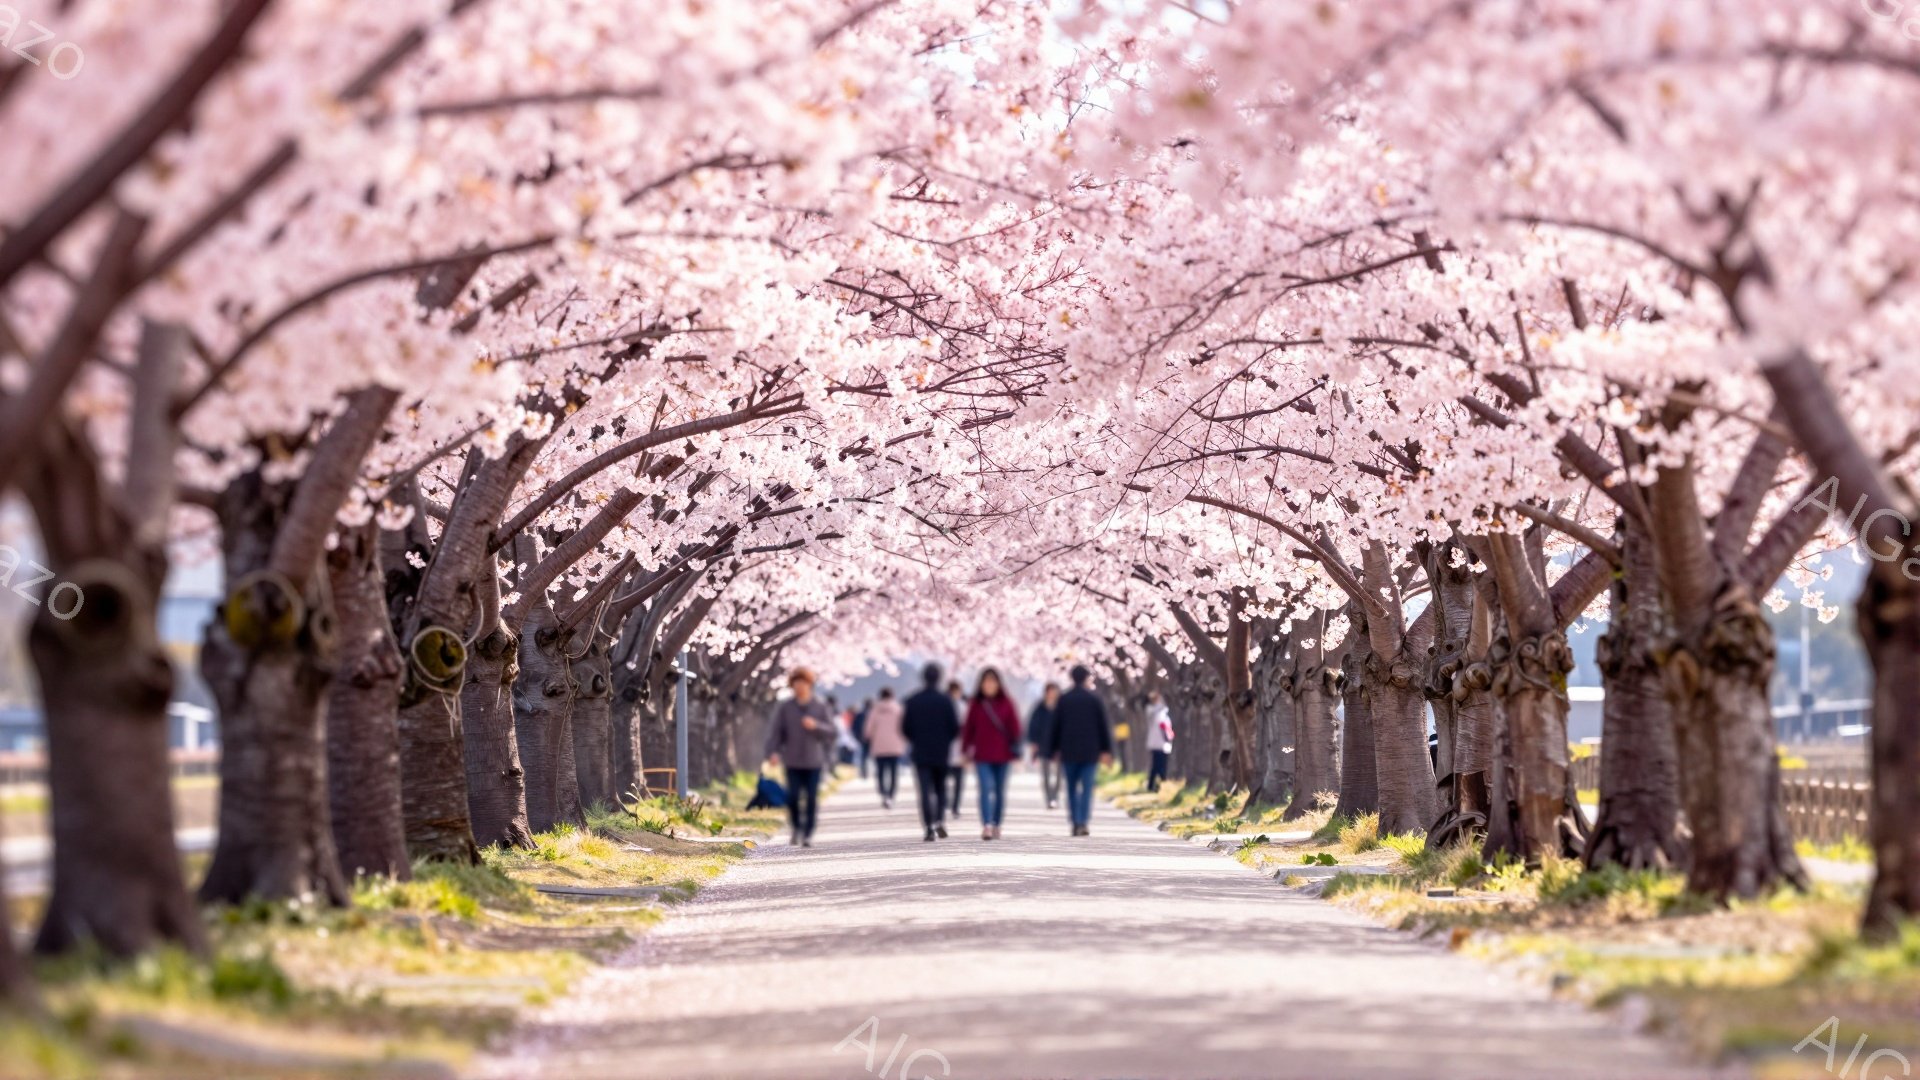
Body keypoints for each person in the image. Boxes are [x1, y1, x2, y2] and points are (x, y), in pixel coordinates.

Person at [763, 667, 838, 847]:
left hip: (814, 761)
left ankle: (808, 833)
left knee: (811, 797)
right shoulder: (786, 708)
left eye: (803, 683)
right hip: (792, 760)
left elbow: (832, 732)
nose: (800, 687)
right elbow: (776, 732)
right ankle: (796, 828)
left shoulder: (820, 707)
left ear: (809, 685)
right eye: (796, 684)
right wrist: (773, 752)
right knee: (793, 796)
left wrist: (816, 726)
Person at [1046, 664, 1113, 837]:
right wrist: (1106, 750)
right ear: (1085, 678)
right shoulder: (1094, 699)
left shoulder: (1064, 699)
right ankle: (1083, 821)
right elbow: (1103, 727)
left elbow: (1055, 726)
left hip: (1068, 752)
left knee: (1071, 788)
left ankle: (1075, 821)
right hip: (1090, 752)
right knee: (1087, 787)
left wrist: (1052, 749)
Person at [961, 668, 1022, 840]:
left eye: (992, 681)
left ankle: (997, 823)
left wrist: (1017, 750)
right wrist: (965, 750)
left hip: (1003, 755)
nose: (989, 684)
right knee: (986, 788)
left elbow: (1015, 728)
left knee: (1000, 790)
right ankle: (986, 825)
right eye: (986, 681)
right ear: (980, 684)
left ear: (998, 683)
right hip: (982, 755)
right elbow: (968, 729)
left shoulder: (1007, 703)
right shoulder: (976, 704)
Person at [903, 663, 960, 841]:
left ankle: (928, 827)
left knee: (924, 791)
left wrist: (916, 740)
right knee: (941, 789)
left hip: (921, 752)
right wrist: (945, 741)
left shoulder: (913, 700)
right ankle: (939, 820)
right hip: (941, 752)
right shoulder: (946, 700)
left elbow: (905, 728)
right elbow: (955, 727)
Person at [865, 687, 907, 808]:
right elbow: (904, 727)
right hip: (895, 746)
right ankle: (891, 795)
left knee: (881, 772)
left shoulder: (875, 710)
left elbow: (868, 730)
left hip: (879, 746)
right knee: (894, 772)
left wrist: (872, 737)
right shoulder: (898, 709)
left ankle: (883, 794)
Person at [1027, 683, 1062, 809]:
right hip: (1044, 745)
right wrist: (1033, 742)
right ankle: (1049, 798)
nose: (1053, 694)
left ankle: (1055, 797)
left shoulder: (1062, 706)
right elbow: (1032, 725)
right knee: (1045, 774)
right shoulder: (1040, 707)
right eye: (1050, 691)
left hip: (1059, 746)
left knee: (1059, 774)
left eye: (1055, 691)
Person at [945, 679, 968, 819]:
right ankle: (953, 805)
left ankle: (954, 805)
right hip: (953, 749)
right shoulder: (962, 706)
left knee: (956, 781)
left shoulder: (962, 706)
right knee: (953, 781)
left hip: (956, 749)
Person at [1145, 690, 1174, 793]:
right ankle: (1158, 785)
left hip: (1163, 743)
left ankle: (1158, 785)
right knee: (1158, 766)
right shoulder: (1153, 711)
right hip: (1156, 743)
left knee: (1160, 765)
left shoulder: (1162, 711)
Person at [853, 698, 873, 779]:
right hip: (872, 739)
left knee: (863, 756)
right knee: (873, 756)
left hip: (862, 738)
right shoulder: (873, 714)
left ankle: (864, 772)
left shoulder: (860, 714)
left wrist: (857, 737)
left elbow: (854, 727)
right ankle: (872, 772)